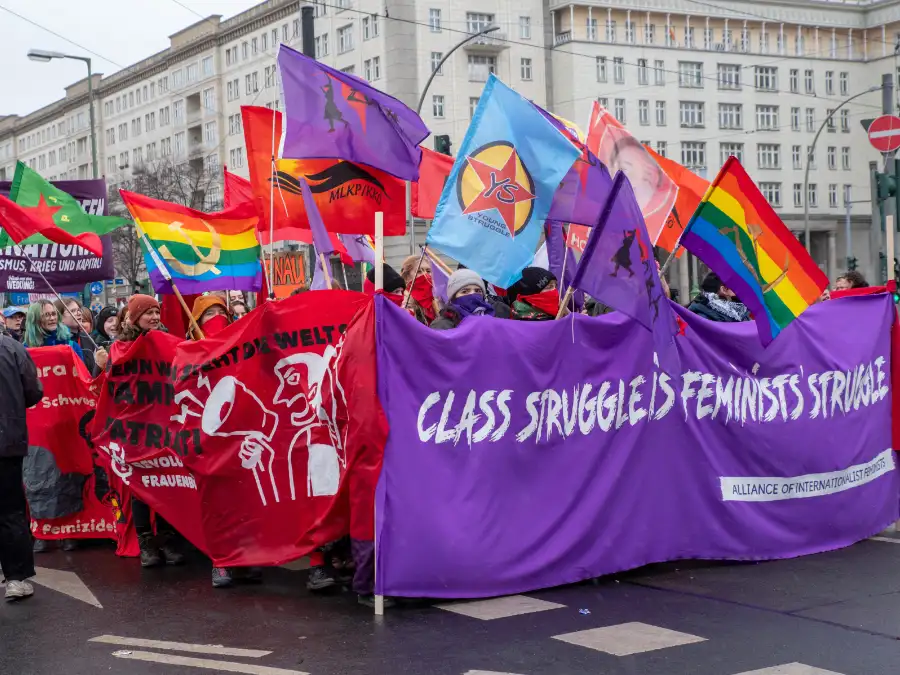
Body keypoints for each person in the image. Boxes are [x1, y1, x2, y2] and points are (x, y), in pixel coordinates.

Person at [116, 294, 185, 568]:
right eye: (148, 313)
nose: (155, 317)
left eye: (157, 312)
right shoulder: (122, 347)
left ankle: (167, 541)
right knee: (141, 487)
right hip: (135, 426)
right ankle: (147, 544)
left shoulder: (169, 342)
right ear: (135, 317)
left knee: (166, 481)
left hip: (164, 425)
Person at [0, 330, 43, 601]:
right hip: (7, 442)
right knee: (10, 511)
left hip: (7, 440)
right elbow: (33, 391)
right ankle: (16, 578)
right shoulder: (13, 349)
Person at [431, 269, 511, 329]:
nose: (472, 294)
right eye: (465, 291)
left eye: (477, 291)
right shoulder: (442, 325)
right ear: (453, 297)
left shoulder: (497, 313)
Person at [53, 298, 106, 375]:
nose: (79, 313)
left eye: (79, 310)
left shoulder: (88, 339)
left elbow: (92, 376)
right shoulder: (56, 341)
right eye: (72, 311)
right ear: (59, 317)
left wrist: (100, 364)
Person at [400, 254, 436, 325]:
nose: (425, 275)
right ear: (407, 276)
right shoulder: (403, 301)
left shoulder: (437, 299)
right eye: (419, 271)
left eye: (428, 271)